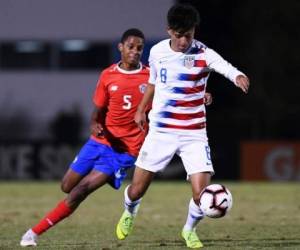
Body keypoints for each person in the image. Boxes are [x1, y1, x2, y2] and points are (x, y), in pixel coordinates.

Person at [115, 4, 250, 249]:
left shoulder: (204, 53)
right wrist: (140, 110)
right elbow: (153, 82)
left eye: (188, 35)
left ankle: (189, 230)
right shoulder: (156, 52)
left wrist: (238, 76)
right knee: (136, 190)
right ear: (169, 31)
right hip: (161, 132)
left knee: (202, 195)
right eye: (179, 36)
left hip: (194, 134)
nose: (184, 41)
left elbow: (225, 67)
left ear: (194, 31)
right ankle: (129, 212)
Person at [20, 28, 150, 247]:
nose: (135, 51)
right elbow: (98, 109)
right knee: (67, 186)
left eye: (139, 48)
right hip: (100, 141)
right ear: (121, 47)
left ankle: (33, 233)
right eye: (131, 47)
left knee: (80, 191)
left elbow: (170, 96)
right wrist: (93, 123)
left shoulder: (150, 77)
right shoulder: (108, 75)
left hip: (125, 149)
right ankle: (108, 177)